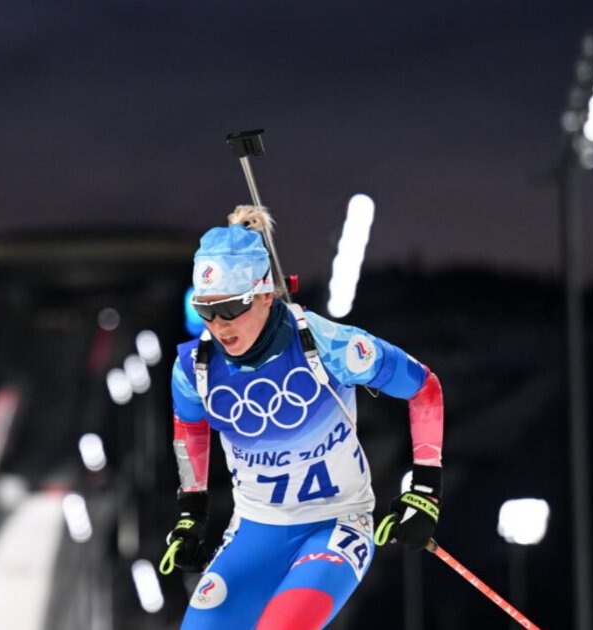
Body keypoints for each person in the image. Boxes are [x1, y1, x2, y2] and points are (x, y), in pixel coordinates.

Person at [158, 205, 445, 629]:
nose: (219, 325)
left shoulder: (327, 345)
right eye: (206, 309)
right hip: (255, 531)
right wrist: (191, 514)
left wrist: (425, 491)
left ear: (265, 294)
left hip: (335, 526)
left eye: (232, 308)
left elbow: (424, 387)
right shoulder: (193, 368)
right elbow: (189, 429)